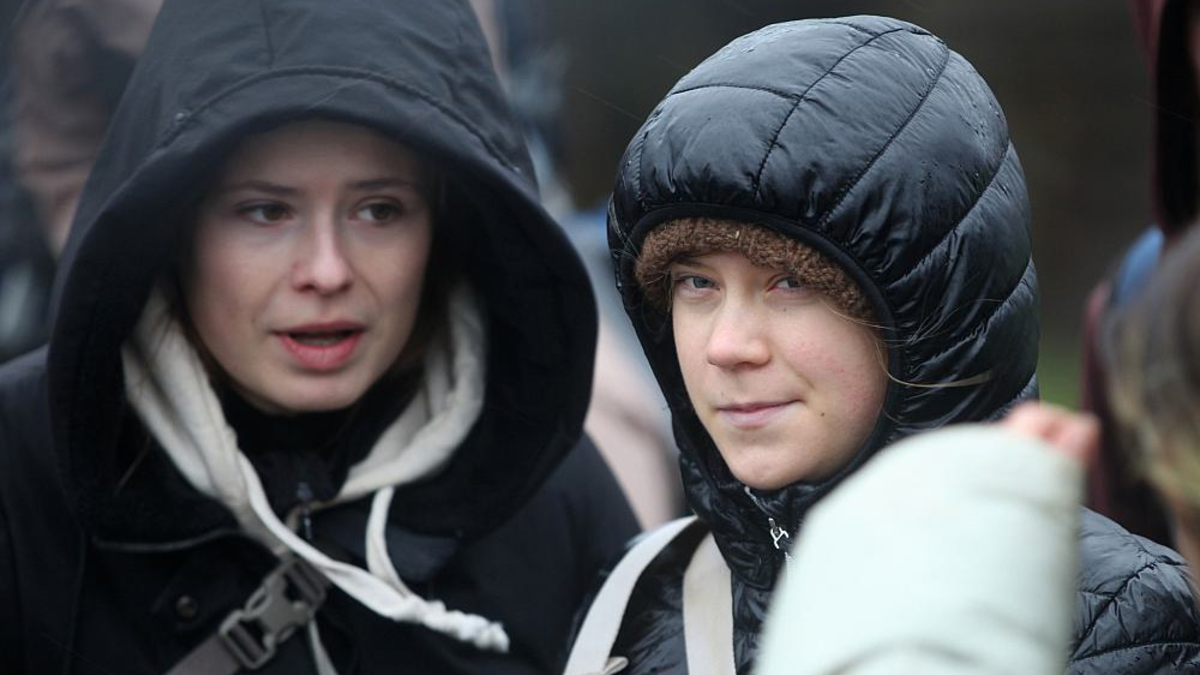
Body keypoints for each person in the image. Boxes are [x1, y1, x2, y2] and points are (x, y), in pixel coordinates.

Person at [0, 0, 638, 673]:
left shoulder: (547, 485)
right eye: (265, 210)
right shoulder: (21, 472)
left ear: (444, 226)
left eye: (379, 209)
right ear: (173, 223)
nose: (327, 271)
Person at [565, 15, 1200, 675]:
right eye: (696, 283)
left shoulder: (1120, 626)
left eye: (789, 282)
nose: (727, 345)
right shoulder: (631, 601)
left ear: (927, 311)